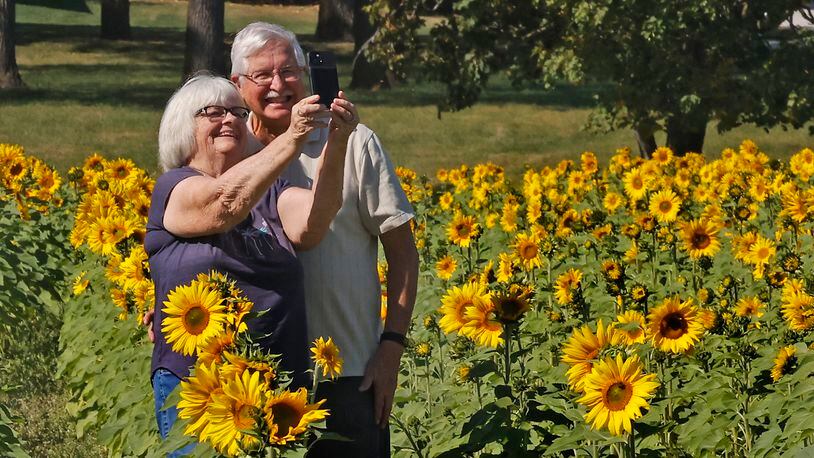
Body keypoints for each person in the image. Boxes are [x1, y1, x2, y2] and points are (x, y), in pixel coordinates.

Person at [230, 23, 419, 457]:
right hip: (251, 376)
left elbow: (404, 255)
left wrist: (391, 348)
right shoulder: (232, 152)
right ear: (237, 86)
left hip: (346, 371)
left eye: (289, 71)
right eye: (262, 75)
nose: (278, 85)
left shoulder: (353, 142)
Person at [143, 73, 358, 454]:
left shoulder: (269, 192)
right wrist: (292, 137)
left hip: (276, 385)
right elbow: (222, 204)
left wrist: (338, 139)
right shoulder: (174, 187)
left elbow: (314, 221)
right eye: (212, 112)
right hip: (200, 387)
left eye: (237, 112)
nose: (229, 119)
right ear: (182, 128)